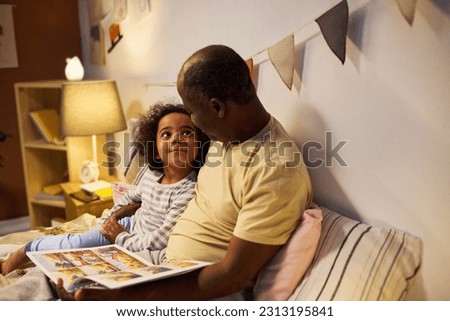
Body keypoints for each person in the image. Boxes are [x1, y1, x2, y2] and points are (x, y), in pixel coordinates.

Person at [58, 44, 313, 300]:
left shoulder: (275, 171)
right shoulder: (227, 137)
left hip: (199, 293)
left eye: (192, 112)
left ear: (217, 108)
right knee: (61, 278)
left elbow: (233, 277)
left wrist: (126, 296)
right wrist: (135, 206)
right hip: (161, 267)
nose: (193, 122)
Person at [0, 103, 210, 275]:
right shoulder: (151, 174)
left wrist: (119, 237)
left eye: (186, 132)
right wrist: (109, 219)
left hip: (131, 240)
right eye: (166, 134)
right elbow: (128, 198)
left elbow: (160, 239)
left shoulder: (188, 190)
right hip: (125, 227)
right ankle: (26, 250)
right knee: (74, 244)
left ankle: (32, 257)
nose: (177, 138)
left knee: (77, 264)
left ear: (199, 147)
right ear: (155, 152)